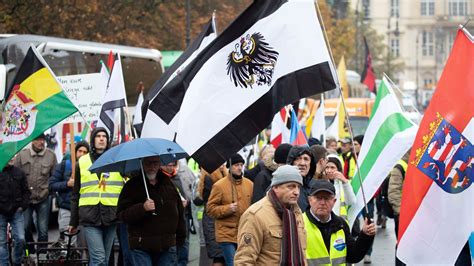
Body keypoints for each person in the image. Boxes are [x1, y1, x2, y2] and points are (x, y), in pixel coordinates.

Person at [69, 127, 125, 266]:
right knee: (99, 258)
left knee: (103, 260)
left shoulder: (116, 160)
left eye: (104, 136)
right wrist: (73, 221)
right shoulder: (82, 162)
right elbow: (76, 193)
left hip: (111, 215)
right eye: (98, 136)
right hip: (90, 215)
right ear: (93, 140)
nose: (101, 138)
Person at [117, 156, 186, 265]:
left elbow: (179, 213)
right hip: (141, 247)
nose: (152, 166)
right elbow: (122, 215)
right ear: (142, 164)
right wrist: (142, 208)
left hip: (167, 247)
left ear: (159, 164)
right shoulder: (131, 186)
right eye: (148, 163)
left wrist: (180, 240)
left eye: (155, 163)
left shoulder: (168, 184)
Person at [234, 165, 306, 265]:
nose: (297, 192)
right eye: (291, 186)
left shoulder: (296, 213)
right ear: (275, 187)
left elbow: (302, 254)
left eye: (298, 187)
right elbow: (244, 260)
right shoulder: (255, 215)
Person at [304, 180, 376, 264]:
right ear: (310, 200)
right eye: (318, 198)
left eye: (327, 198)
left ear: (334, 201)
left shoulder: (340, 224)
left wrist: (365, 235)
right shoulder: (299, 223)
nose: (322, 203)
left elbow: (353, 256)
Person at [206, 153, 253, 266]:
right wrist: (227, 209)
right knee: (232, 263)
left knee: (243, 262)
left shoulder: (250, 184)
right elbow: (210, 209)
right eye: (236, 164)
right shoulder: (219, 185)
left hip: (244, 232)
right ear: (230, 166)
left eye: (241, 164)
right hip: (226, 233)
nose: (239, 167)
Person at [14, 133, 57, 253]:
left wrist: (48, 190)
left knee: (43, 229)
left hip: (43, 198)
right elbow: (16, 175)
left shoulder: (51, 155)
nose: (41, 142)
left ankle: (42, 255)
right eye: (38, 139)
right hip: (26, 199)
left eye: (43, 140)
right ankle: (30, 252)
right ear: (32, 141)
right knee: (26, 227)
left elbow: (55, 177)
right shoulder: (22, 155)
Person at [49, 141, 89, 245]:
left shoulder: (90, 167)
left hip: (83, 210)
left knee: (83, 243)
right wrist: (67, 184)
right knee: (70, 242)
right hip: (67, 208)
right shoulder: (64, 166)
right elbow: (52, 185)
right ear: (75, 152)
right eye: (80, 151)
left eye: (85, 152)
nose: (82, 154)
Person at [160, 160, 192, 266]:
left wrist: (186, 201)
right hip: (168, 219)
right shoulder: (160, 179)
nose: (171, 167)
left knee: (184, 244)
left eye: (173, 164)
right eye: (168, 164)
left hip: (182, 216)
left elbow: (186, 193)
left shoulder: (177, 176)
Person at [0, 158, 30, 266]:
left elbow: (26, 191)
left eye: (13, 156)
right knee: (1, 243)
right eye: (9, 156)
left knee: (21, 239)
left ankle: (17, 261)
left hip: (16, 212)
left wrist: (22, 207)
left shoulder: (19, 172)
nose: (12, 158)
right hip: (1, 213)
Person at [197, 165, 227, 266]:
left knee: (222, 256)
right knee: (219, 256)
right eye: (221, 163)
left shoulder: (222, 174)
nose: (223, 165)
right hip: (213, 220)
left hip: (217, 220)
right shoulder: (209, 178)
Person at [323, 154, 356, 220]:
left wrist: (345, 183)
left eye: (332, 168)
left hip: (339, 222)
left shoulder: (344, 184)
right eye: (327, 167)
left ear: (339, 169)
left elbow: (351, 201)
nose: (329, 170)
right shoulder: (321, 183)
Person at [286, 146, 316, 211]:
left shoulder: (315, 186)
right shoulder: (281, 185)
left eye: (306, 159)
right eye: (298, 159)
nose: (302, 163)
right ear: (291, 162)